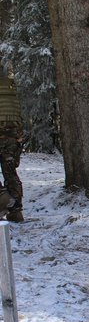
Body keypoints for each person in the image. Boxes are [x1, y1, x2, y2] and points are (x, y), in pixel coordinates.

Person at [0, 74, 24, 222]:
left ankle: (3, 197)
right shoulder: (10, 88)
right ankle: (16, 211)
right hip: (13, 135)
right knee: (10, 172)